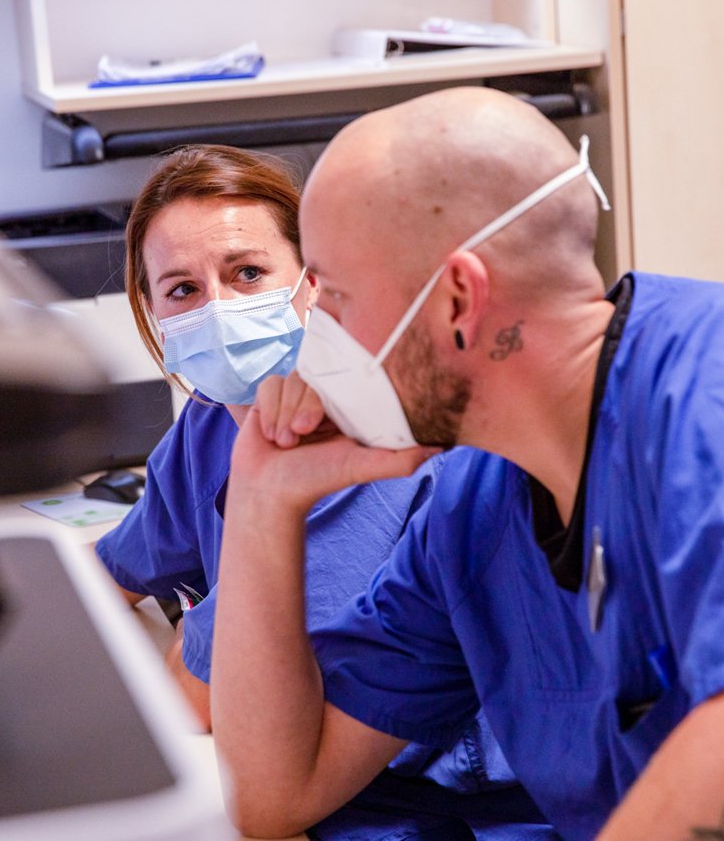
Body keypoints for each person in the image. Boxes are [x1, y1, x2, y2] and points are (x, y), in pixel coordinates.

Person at [211, 88, 724, 840]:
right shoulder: (472, 514)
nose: (314, 339)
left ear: (456, 300)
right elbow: (276, 792)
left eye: (333, 296)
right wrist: (260, 496)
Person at [95, 144, 553, 839]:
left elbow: (200, 704)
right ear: (152, 311)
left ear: (310, 283)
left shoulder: (345, 441)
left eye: (248, 273)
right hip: (305, 783)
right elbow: (113, 571)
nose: (218, 311)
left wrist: (190, 642)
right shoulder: (209, 424)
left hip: (424, 806)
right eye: (182, 290)